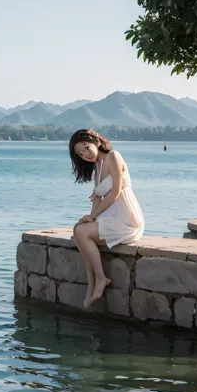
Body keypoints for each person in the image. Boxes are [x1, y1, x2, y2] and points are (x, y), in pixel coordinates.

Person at [69, 128, 144, 308]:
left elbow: (115, 192)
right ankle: (92, 285)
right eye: (80, 153)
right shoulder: (98, 166)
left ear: (95, 141)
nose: (85, 154)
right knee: (78, 229)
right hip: (111, 216)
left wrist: (93, 217)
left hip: (127, 218)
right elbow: (98, 197)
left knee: (81, 232)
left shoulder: (113, 156)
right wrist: (89, 217)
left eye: (86, 147)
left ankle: (101, 279)